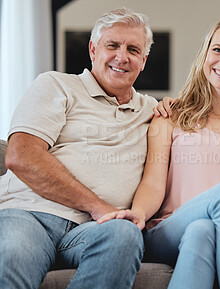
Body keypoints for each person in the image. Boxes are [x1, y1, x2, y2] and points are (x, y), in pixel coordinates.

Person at [98, 17, 220, 289]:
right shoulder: (169, 117)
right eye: (218, 50)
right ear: (205, 54)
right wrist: (137, 214)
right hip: (173, 227)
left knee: (202, 231)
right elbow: (153, 183)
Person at [0, 8, 158, 289]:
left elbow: (208, 112)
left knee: (124, 235)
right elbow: (20, 155)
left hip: (97, 231)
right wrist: (98, 207)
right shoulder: (56, 85)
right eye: (113, 45)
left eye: (133, 49)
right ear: (93, 50)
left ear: (143, 61)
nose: (122, 57)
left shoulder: (153, 111)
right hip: (30, 214)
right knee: (12, 254)